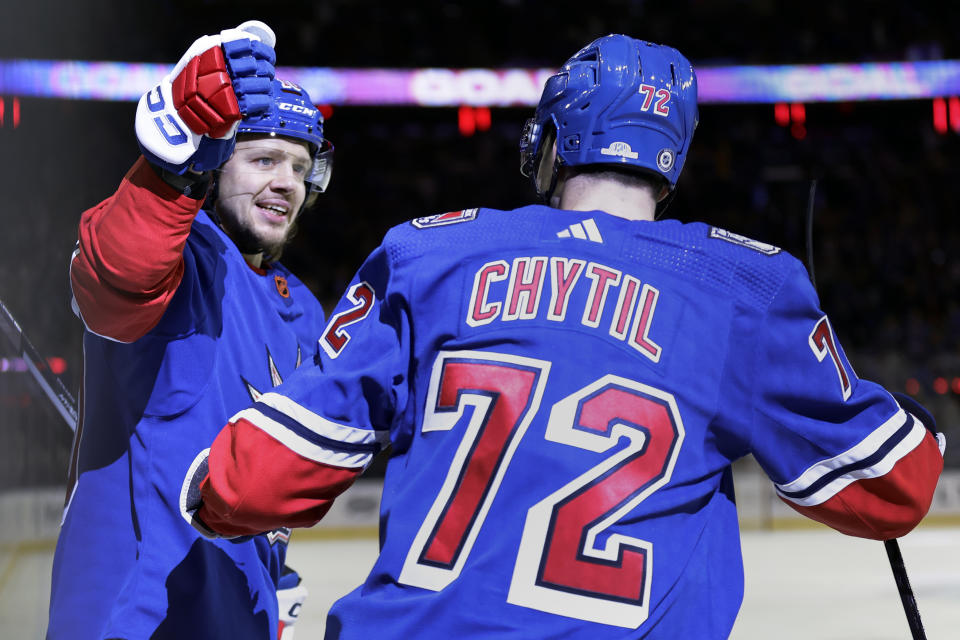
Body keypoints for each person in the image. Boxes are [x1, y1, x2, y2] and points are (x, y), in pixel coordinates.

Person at [182, 34, 945, 639]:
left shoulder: (429, 253)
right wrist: (921, 427)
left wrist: (204, 491)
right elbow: (895, 488)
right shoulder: (744, 287)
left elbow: (254, 483)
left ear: (555, 136)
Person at [48, 21, 331, 640]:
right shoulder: (188, 252)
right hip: (135, 621)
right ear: (217, 166)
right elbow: (120, 276)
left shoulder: (305, 311)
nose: (284, 181)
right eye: (263, 160)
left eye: (299, 167)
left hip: (239, 616)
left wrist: (274, 571)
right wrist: (169, 168)